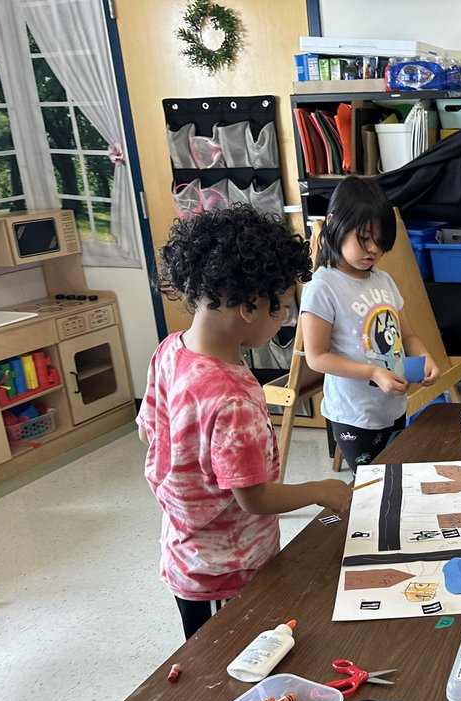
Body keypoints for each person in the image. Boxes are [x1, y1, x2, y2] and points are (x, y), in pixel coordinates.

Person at [138, 205, 353, 639]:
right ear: (252, 306)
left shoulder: (171, 350)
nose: (286, 322)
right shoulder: (232, 397)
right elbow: (253, 498)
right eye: (284, 310)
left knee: (211, 655)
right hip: (226, 571)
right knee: (225, 665)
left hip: (186, 550)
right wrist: (320, 491)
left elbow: (151, 429)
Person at [302, 176, 439, 472]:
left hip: (392, 407)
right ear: (333, 223)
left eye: (380, 241)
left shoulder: (383, 280)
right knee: (370, 486)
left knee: (394, 476)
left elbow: (409, 336)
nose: (373, 249)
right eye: (364, 238)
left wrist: (426, 357)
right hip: (354, 414)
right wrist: (373, 372)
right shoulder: (323, 286)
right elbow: (316, 357)